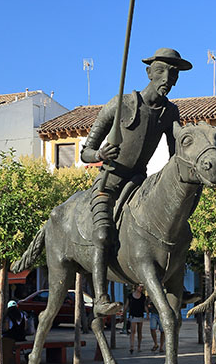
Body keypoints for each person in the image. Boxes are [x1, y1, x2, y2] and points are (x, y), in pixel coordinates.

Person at [79, 48, 192, 317]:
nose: (167, 78)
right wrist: (100, 155)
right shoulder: (120, 104)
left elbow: (175, 155)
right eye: (162, 71)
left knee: (181, 230)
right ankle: (101, 296)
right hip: (110, 181)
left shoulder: (170, 112)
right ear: (149, 72)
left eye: (173, 73)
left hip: (140, 184)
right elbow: (86, 151)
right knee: (103, 233)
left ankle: (177, 280)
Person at [126, 284, 146, 354]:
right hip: (133, 315)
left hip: (140, 315)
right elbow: (127, 304)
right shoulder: (130, 296)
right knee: (133, 331)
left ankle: (139, 346)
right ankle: (131, 346)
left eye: (142, 287)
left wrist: (147, 313)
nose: (141, 288)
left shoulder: (143, 296)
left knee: (139, 331)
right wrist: (124, 312)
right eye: (140, 287)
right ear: (136, 287)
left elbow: (144, 305)